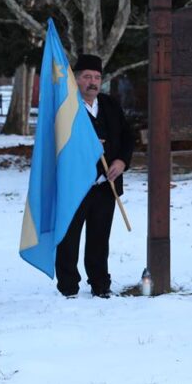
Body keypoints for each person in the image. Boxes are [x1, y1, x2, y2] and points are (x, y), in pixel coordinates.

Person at [55, 54, 134, 299]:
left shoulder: (110, 105)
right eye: (87, 77)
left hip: (105, 186)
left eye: (97, 77)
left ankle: (100, 283)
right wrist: (84, 145)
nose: (93, 82)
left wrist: (121, 161)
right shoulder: (67, 108)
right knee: (69, 238)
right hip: (75, 186)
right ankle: (68, 285)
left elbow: (127, 137)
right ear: (76, 79)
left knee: (100, 238)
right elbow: (58, 143)